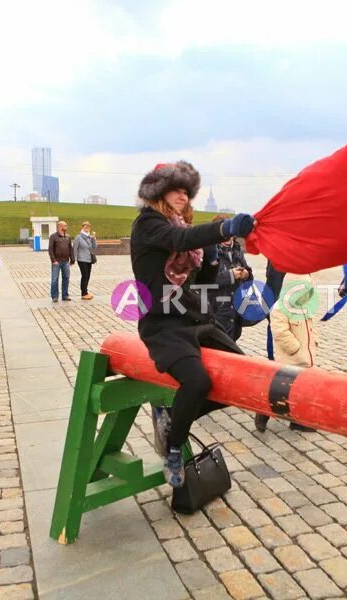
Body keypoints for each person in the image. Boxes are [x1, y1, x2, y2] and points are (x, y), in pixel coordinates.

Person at [131, 161, 255, 487]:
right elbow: (176, 238)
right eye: (176, 189)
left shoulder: (187, 239)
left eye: (187, 191)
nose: (183, 196)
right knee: (197, 383)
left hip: (196, 319)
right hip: (163, 325)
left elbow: (202, 283)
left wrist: (213, 258)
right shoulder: (148, 225)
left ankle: (173, 419)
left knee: (242, 378)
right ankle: (174, 447)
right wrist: (223, 229)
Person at [254, 273, 317, 433]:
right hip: (290, 357)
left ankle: (297, 420)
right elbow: (280, 332)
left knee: (300, 391)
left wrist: (314, 341)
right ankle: (263, 411)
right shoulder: (280, 308)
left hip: (304, 357)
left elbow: (310, 327)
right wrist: (295, 348)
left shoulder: (305, 307)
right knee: (281, 392)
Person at [209, 215, 253, 341]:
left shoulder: (237, 249)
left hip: (235, 313)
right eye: (225, 231)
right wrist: (230, 275)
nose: (228, 235)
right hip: (215, 313)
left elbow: (249, 277)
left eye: (231, 231)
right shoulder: (208, 251)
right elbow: (204, 280)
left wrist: (246, 274)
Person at [49, 221, 75, 302]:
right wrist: (53, 260)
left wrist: (72, 259)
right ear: (60, 227)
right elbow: (50, 249)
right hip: (56, 262)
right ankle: (55, 296)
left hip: (66, 262)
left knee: (66, 278)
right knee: (55, 279)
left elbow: (70, 249)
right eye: (65, 226)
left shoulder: (68, 237)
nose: (66, 227)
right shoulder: (53, 236)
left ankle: (65, 296)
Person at [73, 221, 98, 300]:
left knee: (88, 276)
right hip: (81, 259)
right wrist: (73, 259)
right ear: (82, 227)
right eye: (85, 226)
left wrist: (93, 238)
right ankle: (83, 293)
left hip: (89, 260)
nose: (87, 228)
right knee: (84, 276)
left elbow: (94, 248)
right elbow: (74, 248)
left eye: (88, 227)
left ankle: (86, 292)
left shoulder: (89, 237)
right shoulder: (78, 237)